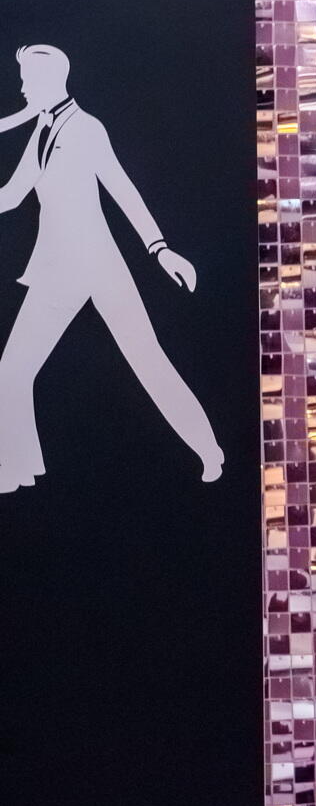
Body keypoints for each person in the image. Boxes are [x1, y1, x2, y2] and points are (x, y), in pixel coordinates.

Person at [0, 44, 220, 494]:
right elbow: (12, 194)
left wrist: (160, 250)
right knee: (12, 370)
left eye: (26, 80)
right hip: (57, 269)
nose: (21, 88)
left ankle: (209, 450)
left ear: (48, 81)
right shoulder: (42, 127)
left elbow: (124, 190)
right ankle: (16, 468)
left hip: (100, 265)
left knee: (148, 360)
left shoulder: (87, 129)